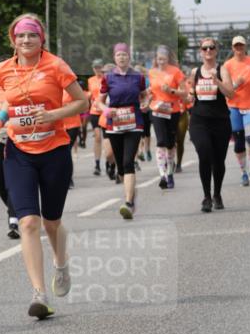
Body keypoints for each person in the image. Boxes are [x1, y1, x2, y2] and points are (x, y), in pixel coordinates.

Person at [0, 14, 87, 319]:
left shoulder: (56, 65)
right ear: (12, 40)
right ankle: (39, 293)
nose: (26, 41)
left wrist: (54, 115)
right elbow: (6, 104)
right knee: (28, 222)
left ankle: (61, 264)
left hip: (55, 151)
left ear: (41, 38)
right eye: (20, 36)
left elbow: (81, 102)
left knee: (51, 221)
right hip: (18, 152)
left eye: (31, 36)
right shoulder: (4, 70)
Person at [99, 44, 149, 220]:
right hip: (115, 124)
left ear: (129, 57)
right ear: (114, 58)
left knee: (128, 162)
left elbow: (144, 94)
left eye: (125, 55)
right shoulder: (108, 77)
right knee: (120, 166)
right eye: (119, 55)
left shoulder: (138, 76)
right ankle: (131, 197)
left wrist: (145, 103)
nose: (122, 58)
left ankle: (128, 202)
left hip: (134, 122)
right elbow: (99, 101)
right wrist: (106, 110)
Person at [188, 39, 234, 211]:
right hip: (199, 120)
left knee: (218, 160)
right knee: (204, 154)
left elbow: (231, 93)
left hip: (220, 121)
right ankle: (206, 197)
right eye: (204, 48)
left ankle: (217, 194)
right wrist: (190, 95)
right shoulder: (195, 71)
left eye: (211, 47)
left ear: (216, 51)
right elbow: (190, 92)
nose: (208, 50)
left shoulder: (223, 70)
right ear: (200, 51)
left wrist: (218, 82)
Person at [148, 46, 188, 189]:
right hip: (157, 110)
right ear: (156, 59)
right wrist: (148, 95)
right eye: (159, 59)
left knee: (171, 144)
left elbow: (185, 93)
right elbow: (150, 90)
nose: (161, 61)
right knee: (161, 141)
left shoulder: (176, 72)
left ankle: (170, 172)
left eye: (164, 59)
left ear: (168, 59)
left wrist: (171, 90)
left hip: (172, 110)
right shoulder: (151, 73)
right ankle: (162, 175)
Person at [222, 35, 250, 186]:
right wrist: (236, 83)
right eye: (236, 46)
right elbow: (225, 89)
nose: (239, 48)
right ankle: (244, 173)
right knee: (239, 143)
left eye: (241, 46)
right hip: (233, 107)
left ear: (245, 47)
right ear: (232, 48)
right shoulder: (227, 65)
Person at [87, 60, 105, 175]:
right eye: (95, 68)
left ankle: (111, 162)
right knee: (98, 137)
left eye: (99, 67)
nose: (97, 70)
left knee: (109, 139)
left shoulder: (107, 79)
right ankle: (97, 164)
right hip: (94, 111)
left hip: (106, 111)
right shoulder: (91, 80)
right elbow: (91, 94)